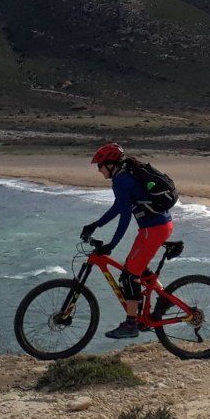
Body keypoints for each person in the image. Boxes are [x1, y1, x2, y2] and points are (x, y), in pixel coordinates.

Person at [79, 143, 176, 339]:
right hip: (156, 227)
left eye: (100, 165)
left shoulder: (121, 180)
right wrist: (96, 224)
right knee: (135, 268)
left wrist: (112, 245)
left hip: (154, 229)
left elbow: (124, 217)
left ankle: (131, 323)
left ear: (110, 164)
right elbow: (118, 207)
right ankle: (165, 299)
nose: (99, 170)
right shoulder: (124, 175)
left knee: (129, 276)